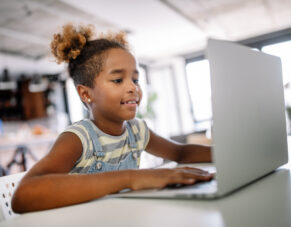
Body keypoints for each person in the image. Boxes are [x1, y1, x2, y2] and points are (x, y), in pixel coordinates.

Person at [12, 24, 213, 213]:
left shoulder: (137, 131)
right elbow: (23, 196)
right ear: (86, 94)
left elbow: (180, 152)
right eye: (118, 80)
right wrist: (130, 178)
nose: (133, 87)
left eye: (135, 79)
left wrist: (230, 154)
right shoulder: (78, 138)